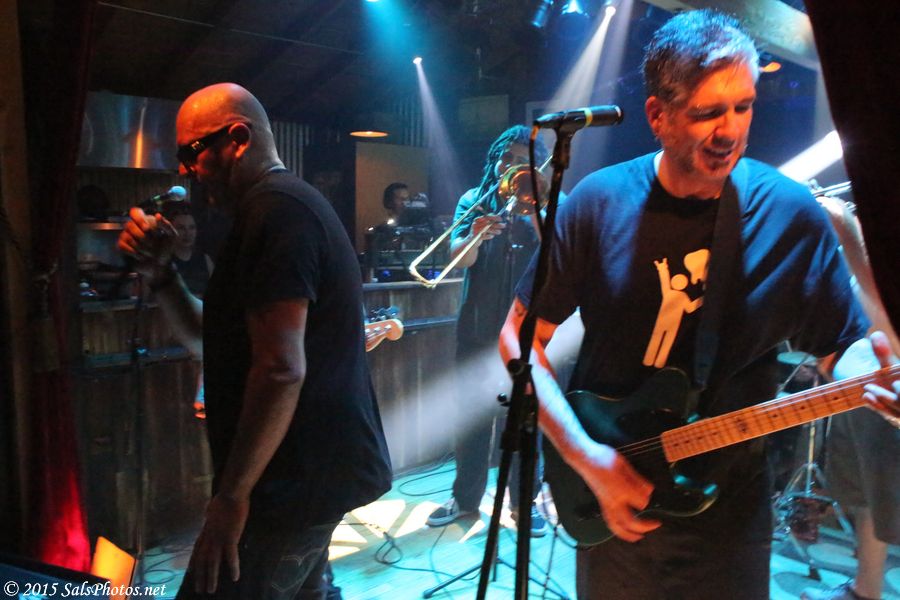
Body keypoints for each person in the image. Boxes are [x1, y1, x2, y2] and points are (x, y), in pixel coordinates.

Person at [498, 10, 900, 599]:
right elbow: (519, 338)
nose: (729, 130)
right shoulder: (598, 203)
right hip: (613, 496)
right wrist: (584, 457)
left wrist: (880, 378)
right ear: (658, 116)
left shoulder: (789, 214)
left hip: (731, 514)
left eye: (743, 106)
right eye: (707, 112)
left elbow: (842, 345)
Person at [118, 82, 392, 599]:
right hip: (304, 475)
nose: (184, 169)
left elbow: (281, 369)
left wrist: (231, 498)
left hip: (291, 483)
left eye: (192, 151)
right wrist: (162, 276)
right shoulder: (268, 211)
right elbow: (212, 339)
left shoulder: (279, 211)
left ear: (238, 138)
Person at [426, 125, 549, 537]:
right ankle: (464, 499)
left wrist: (536, 210)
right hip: (478, 329)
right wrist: (475, 236)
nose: (510, 166)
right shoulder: (474, 199)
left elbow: (562, 250)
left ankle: (524, 503)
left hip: (528, 334)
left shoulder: (552, 199)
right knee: (471, 421)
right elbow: (457, 259)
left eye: (521, 160)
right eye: (505, 158)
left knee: (526, 422)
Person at [800, 196, 900, 600]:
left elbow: (885, 305)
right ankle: (865, 590)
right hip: (860, 378)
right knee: (866, 494)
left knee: (889, 498)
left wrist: (847, 229)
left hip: (889, 386)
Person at [161, 201, 214, 297]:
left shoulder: (205, 260)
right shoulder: (163, 261)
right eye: (181, 228)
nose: (187, 233)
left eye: (192, 227)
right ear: (170, 230)